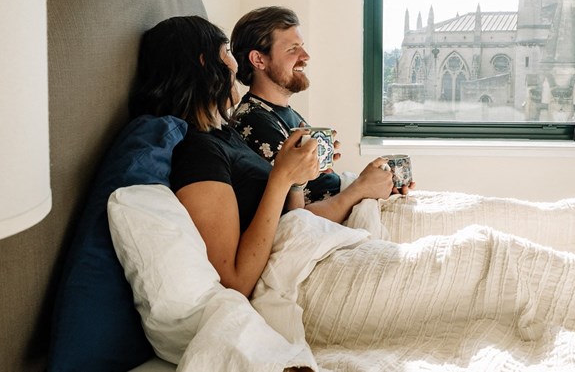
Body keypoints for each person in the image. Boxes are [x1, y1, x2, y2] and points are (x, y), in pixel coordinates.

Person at [129, 15, 393, 297]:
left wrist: (296, 179)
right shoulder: (197, 151)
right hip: (296, 277)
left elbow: (291, 216)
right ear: (205, 63)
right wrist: (282, 177)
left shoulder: (224, 133)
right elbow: (235, 281)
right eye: (227, 53)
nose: (234, 65)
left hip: (307, 243)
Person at [230, 6, 405, 224]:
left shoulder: (285, 113)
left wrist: (376, 184)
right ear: (258, 60)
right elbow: (291, 221)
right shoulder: (254, 122)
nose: (306, 56)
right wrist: (362, 188)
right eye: (293, 49)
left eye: (302, 46)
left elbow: (316, 186)